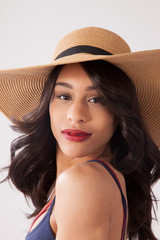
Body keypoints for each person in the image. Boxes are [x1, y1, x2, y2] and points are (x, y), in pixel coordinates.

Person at [0, 27, 160, 240]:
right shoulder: (92, 181)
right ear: (47, 104)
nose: (76, 115)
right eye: (64, 96)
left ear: (119, 113)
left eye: (97, 99)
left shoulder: (84, 183)